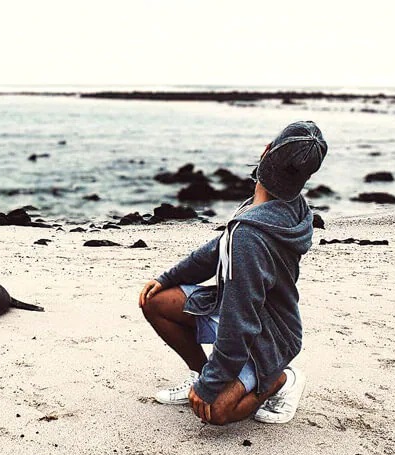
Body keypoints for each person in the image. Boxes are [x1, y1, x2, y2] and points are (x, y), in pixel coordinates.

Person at [139, 121, 327, 426]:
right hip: (240, 311)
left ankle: (283, 380)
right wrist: (167, 278)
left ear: (266, 150)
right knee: (155, 300)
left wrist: (212, 387)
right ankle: (200, 376)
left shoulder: (252, 234)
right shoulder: (281, 205)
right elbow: (218, 249)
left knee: (216, 411)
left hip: (268, 334)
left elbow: (241, 319)